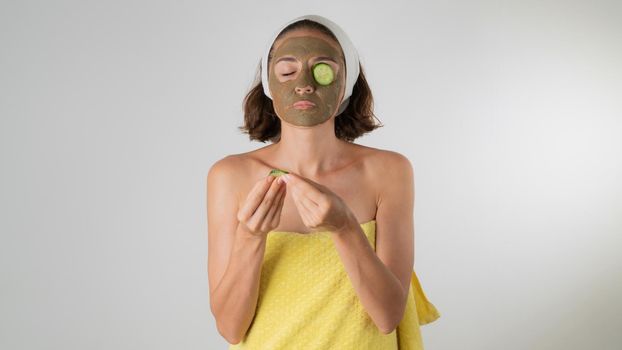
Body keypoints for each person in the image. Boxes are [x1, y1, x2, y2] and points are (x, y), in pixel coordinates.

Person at [207, 14, 440, 349]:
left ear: (347, 83)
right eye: (287, 71)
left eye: (322, 70)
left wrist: (345, 228)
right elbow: (230, 328)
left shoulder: (389, 171)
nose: (304, 84)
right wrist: (250, 236)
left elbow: (389, 316)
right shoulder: (229, 176)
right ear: (269, 85)